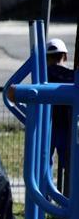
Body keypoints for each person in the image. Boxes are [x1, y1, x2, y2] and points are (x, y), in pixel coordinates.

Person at [46, 38, 74, 195]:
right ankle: (70, 204)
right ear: (65, 56)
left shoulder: (42, 77)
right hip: (68, 127)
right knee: (71, 166)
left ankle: (43, 204)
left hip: (46, 126)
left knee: (43, 165)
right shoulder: (72, 77)